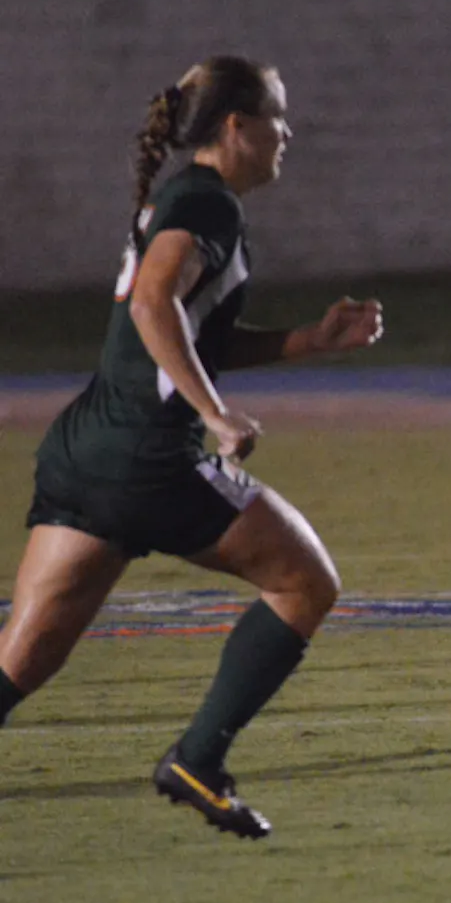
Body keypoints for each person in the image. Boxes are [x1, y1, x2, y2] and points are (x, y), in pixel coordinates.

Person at [0, 56, 383, 839]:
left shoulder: (187, 199)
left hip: (89, 450)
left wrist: (308, 339)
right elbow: (152, 302)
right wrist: (215, 413)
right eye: (278, 117)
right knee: (306, 582)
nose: (290, 133)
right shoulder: (208, 204)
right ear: (236, 128)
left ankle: (197, 760)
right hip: (150, 459)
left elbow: (184, 328)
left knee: (21, 660)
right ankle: (197, 759)